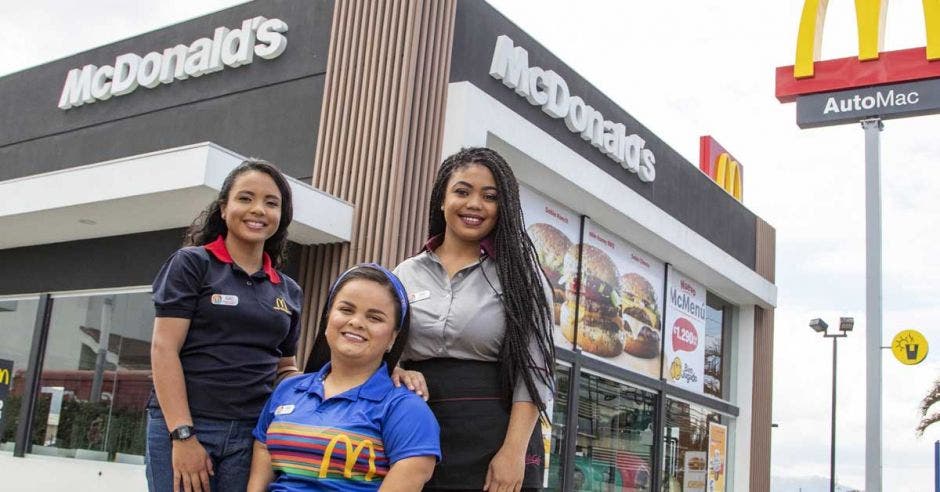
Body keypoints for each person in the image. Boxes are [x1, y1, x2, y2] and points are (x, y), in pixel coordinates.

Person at [392, 147, 555, 491]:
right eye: (462, 191)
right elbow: (382, 348)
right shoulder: (405, 273)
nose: (474, 204)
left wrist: (513, 453)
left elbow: (536, 371)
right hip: (412, 430)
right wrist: (396, 369)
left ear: (504, 207)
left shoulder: (522, 277)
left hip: (495, 433)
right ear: (442, 200)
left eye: (490, 196)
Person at [147, 159, 303, 492]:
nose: (258, 210)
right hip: (188, 426)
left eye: (271, 202)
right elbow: (164, 348)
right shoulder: (192, 264)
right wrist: (183, 435)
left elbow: (284, 367)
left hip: (251, 435)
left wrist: (326, 385)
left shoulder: (288, 291)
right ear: (223, 208)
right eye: (245, 198)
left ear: (282, 216)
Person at [249, 264, 440, 491]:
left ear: (392, 338)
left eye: (375, 318)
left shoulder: (406, 409)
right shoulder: (287, 389)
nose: (356, 322)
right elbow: (260, 466)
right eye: (346, 310)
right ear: (328, 318)